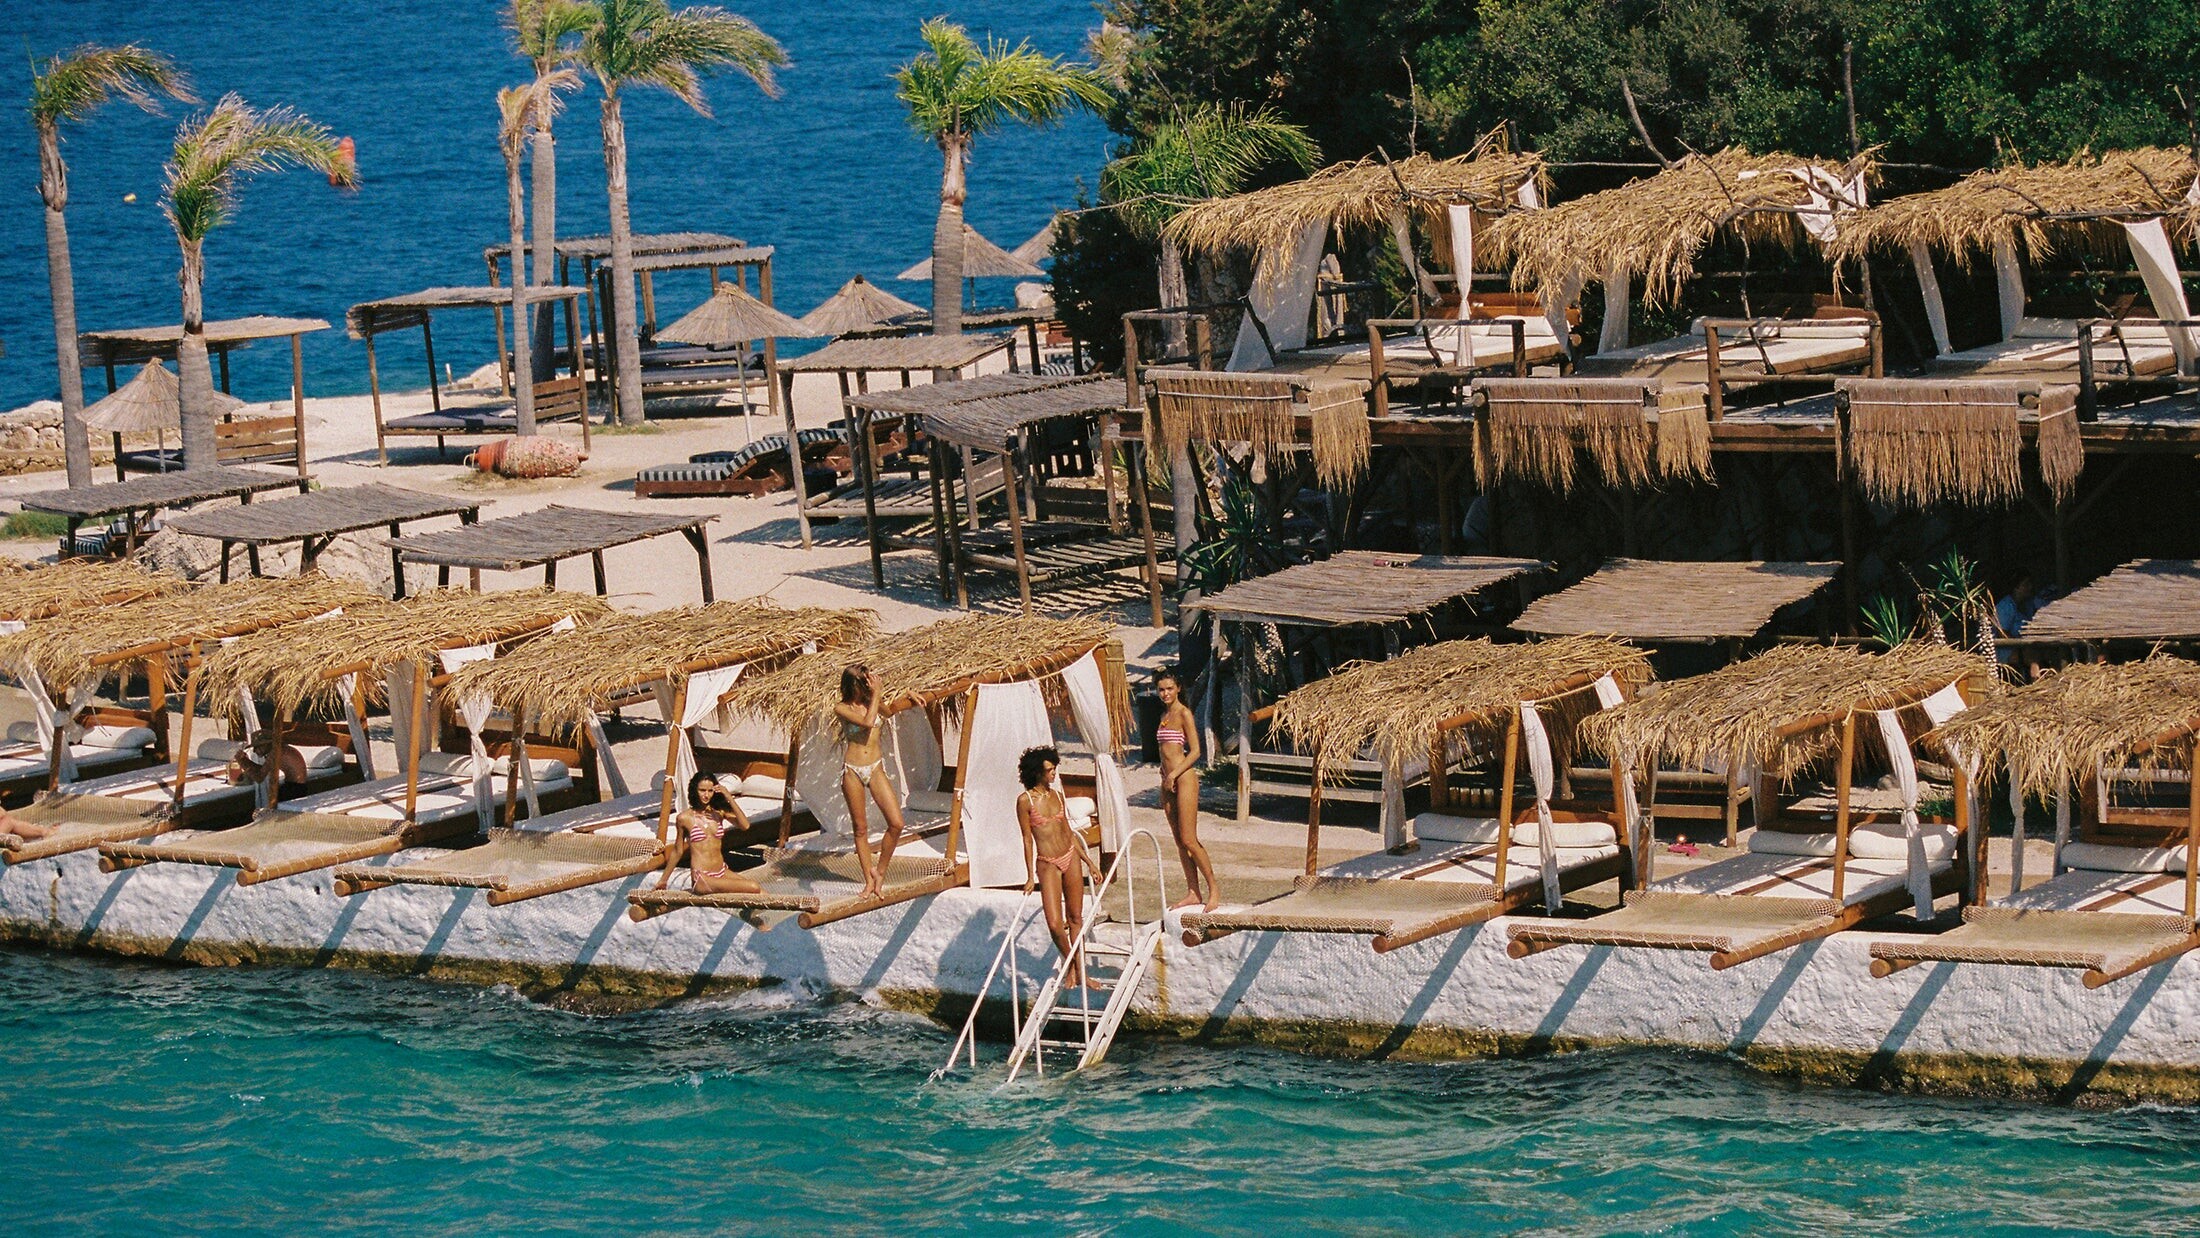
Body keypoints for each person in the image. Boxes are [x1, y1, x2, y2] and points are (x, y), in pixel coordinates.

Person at [1017, 746, 1104, 989]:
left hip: (1070, 856)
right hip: (1047, 863)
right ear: (1037, 772)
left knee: (1075, 918)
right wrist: (1029, 876)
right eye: (1049, 770)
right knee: (1055, 924)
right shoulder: (1025, 801)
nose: (1054, 773)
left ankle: (1081, 973)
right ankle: (1072, 965)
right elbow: (1027, 839)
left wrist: (1089, 862)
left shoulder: (1057, 795)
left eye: (1055, 768)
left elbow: (1069, 833)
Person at [835, 663, 908, 898]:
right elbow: (867, 723)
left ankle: (880, 871)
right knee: (860, 828)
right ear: (852, 685)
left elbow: (890, 711)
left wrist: (908, 695)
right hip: (853, 770)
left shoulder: (872, 702)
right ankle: (868, 880)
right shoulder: (841, 708)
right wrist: (876, 693)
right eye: (863, 682)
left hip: (875, 767)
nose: (868, 686)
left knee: (896, 823)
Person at [1154, 670, 1219, 911]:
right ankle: (1193, 891)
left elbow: (1196, 751)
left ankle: (1213, 889)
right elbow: (1165, 751)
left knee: (1189, 839)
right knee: (1179, 841)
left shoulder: (1184, 714)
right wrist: (1165, 774)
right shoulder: (1164, 715)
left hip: (1183, 778)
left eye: (1169, 688)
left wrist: (1174, 774)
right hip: (1168, 780)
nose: (1165, 693)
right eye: (1161, 689)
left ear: (1178, 688)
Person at [679, 771, 760, 895]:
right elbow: (677, 851)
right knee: (753, 887)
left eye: (710, 791)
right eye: (702, 790)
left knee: (762, 892)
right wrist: (663, 880)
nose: (706, 795)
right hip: (702, 878)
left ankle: (787, 906)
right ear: (695, 790)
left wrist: (729, 797)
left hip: (721, 871)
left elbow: (745, 825)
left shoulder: (718, 813)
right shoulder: (685, 817)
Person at [224, 733, 310, 789]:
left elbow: (259, 777)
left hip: (295, 788)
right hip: (297, 785)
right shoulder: (279, 750)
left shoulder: (275, 753)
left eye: (257, 747)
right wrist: (246, 761)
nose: (254, 751)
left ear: (266, 745)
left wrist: (243, 761)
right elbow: (262, 770)